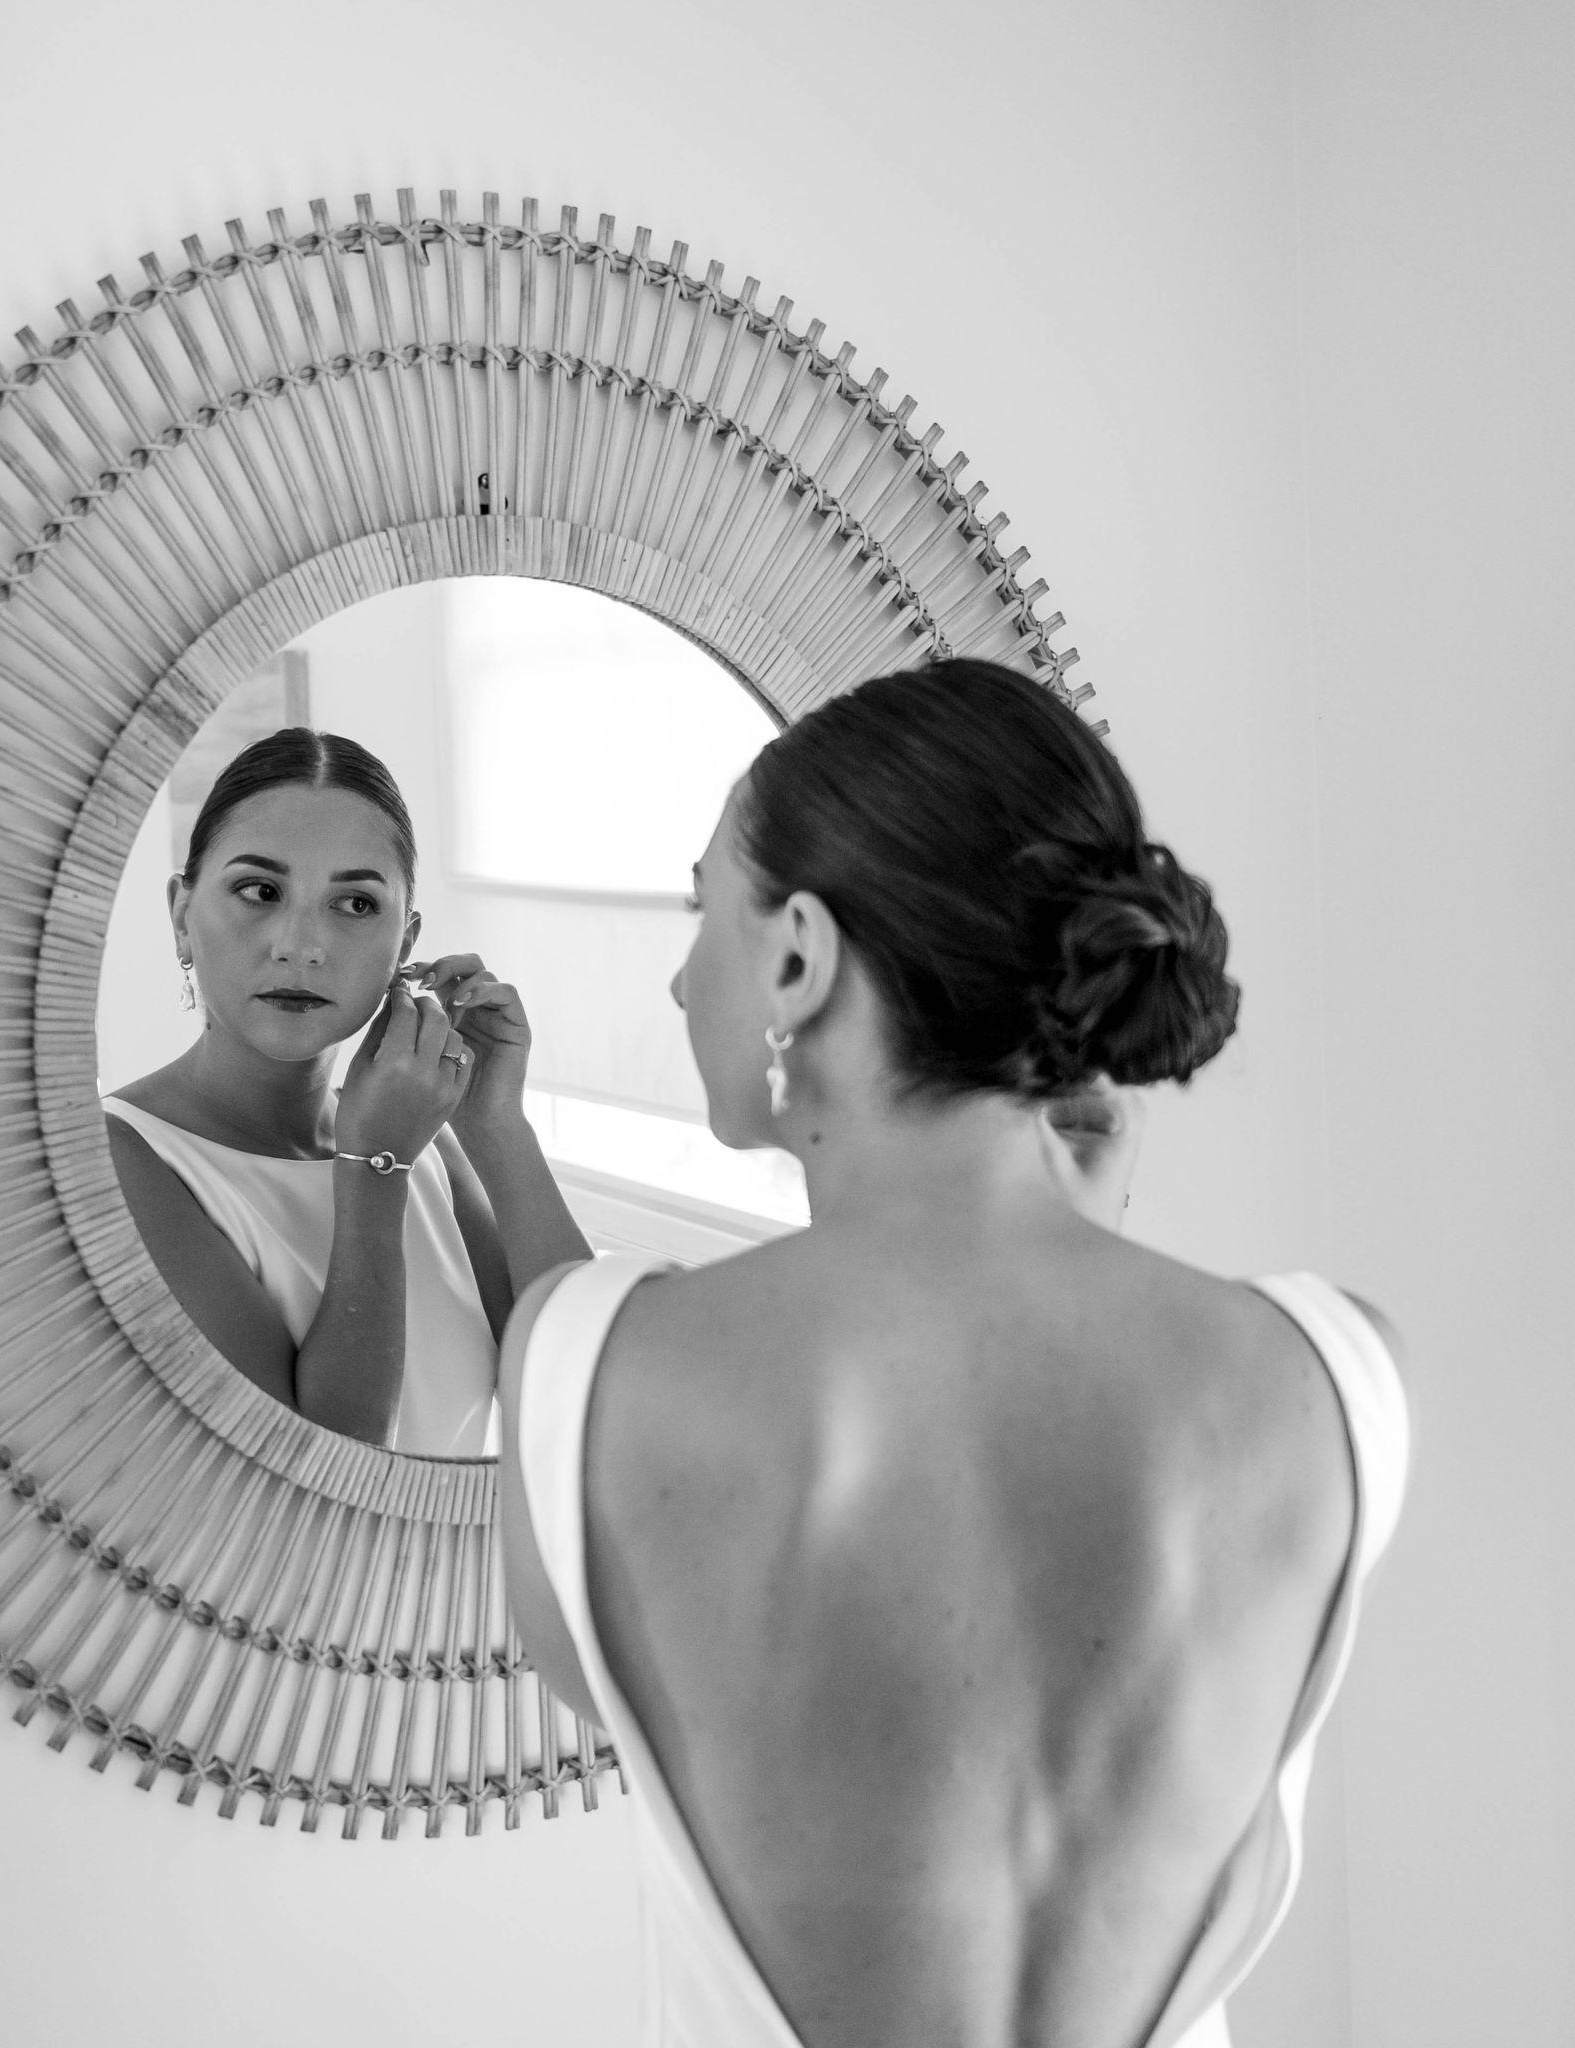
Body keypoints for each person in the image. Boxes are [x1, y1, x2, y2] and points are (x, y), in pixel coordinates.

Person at [498, 660, 1408, 2048]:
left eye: (702, 913)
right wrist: (1079, 1219)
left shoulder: (590, 1369)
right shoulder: (1334, 1380)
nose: (681, 977)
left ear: (798, 957)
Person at [106, 727, 590, 1456]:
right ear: (181, 916)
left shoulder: (424, 1147)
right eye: (259, 891)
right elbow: (322, 1474)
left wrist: (496, 1126)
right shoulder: (123, 1159)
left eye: (356, 904)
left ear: (405, 944)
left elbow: (595, 1392)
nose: (301, 945)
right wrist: (372, 1170)